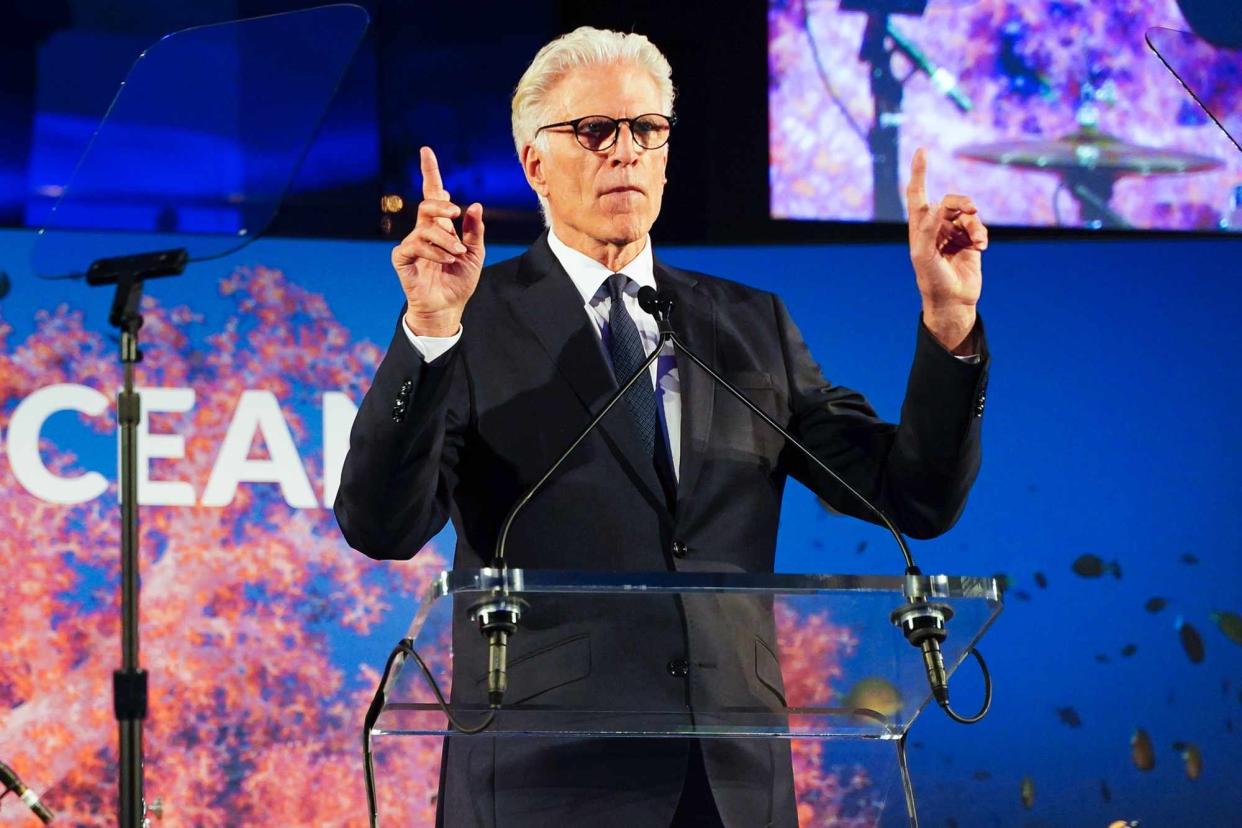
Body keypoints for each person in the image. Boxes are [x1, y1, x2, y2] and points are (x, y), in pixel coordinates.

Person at [335, 26, 989, 828]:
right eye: (595, 131)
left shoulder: (749, 324)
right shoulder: (474, 319)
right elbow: (381, 525)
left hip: (735, 781)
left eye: (647, 130)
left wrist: (949, 325)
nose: (626, 152)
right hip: (547, 782)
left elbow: (911, 496)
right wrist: (430, 329)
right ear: (536, 163)